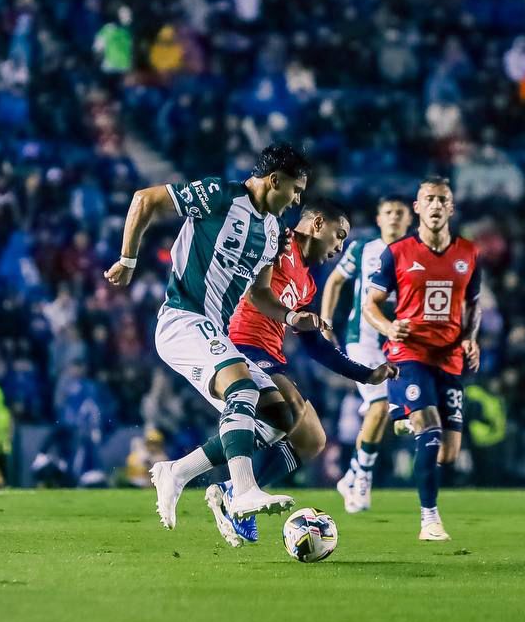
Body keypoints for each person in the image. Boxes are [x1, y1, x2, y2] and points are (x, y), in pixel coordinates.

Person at [103, 143, 312, 529]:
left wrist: (291, 316)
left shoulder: (270, 232)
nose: (297, 200)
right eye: (296, 190)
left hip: (213, 329)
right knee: (243, 388)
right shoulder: (220, 195)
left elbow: (260, 293)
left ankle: (178, 472)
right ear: (275, 180)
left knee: (279, 416)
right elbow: (145, 199)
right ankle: (244, 489)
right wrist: (128, 259)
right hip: (182, 318)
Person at [196, 200, 399, 546]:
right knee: (288, 406)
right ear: (317, 224)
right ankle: (230, 487)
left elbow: (314, 345)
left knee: (313, 440)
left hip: (270, 354)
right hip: (238, 343)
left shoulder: (307, 284)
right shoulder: (278, 242)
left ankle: (234, 488)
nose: (339, 247)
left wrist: (366, 375)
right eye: (338, 236)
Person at [364, 178, 481, 541]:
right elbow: (371, 304)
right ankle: (429, 519)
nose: (435, 205)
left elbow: (473, 303)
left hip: (447, 357)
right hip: (409, 352)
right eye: (428, 199)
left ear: (451, 208)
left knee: (447, 453)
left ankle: (406, 420)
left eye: (441, 200)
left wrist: (470, 339)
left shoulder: (468, 253)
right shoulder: (397, 253)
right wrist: (387, 327)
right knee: (429, 431)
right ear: (417, 207)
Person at [320, 197, 411, 513]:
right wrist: (326, 321)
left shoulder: (417, 254)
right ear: (379, 218)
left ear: (409, 219)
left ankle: (355, 473)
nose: (394, 218)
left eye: (400, 213)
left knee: (390, 413)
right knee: (380, 404)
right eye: (389, 212)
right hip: (363, 340)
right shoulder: (362, 249)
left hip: (400, 345)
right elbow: (335, 281)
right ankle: (361, 479)